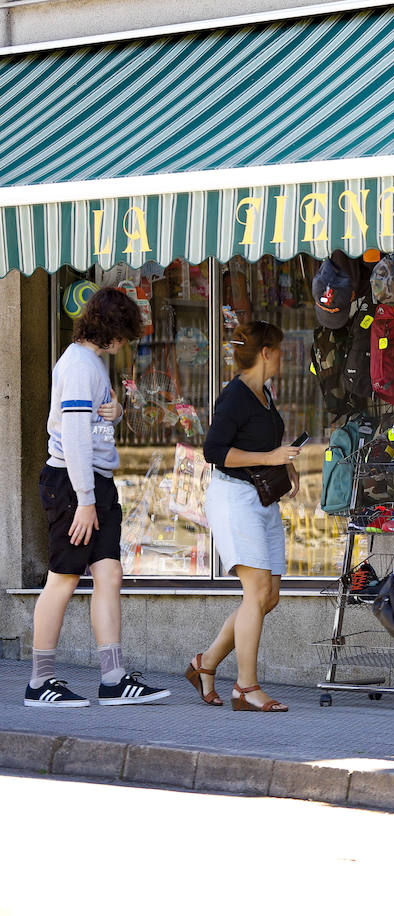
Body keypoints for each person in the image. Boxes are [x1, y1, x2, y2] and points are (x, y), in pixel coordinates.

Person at [26, 286, 170, 707]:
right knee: (63, 578)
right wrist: (86, 499)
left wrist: (118, 411)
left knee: (109, 575)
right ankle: (39, 681)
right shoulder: (78, 366)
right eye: (124, 334)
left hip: (92, 484)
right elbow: (72, 436)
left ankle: (113, 677)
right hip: (75, 484)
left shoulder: (90, 364)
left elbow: (93, 422)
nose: (125, 343)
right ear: (110, 329)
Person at [189, 321, 299, 712]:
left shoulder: (264, 393)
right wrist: (269, 458)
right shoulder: (234, 395)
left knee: (269, 596)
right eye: (281, 350)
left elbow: (263, 444)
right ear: (266, 352)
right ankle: (246, 689)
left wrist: (284, 465)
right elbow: (214, 450)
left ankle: (206, 663)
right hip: (234, 499)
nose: (284, 357)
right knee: (254, 593)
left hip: (262, 499)